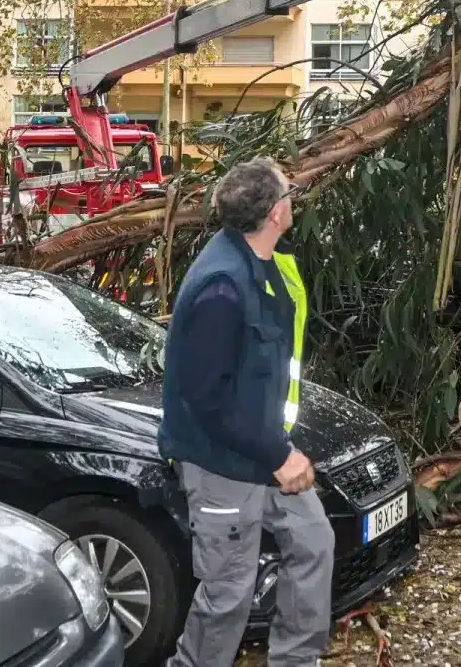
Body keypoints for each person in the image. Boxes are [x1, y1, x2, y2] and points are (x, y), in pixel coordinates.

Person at [158, 157, 332, 667]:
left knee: (314, 541)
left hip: (258, 451)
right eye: (289, 195)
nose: (293, 201)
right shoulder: (222, 286)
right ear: (277, 212)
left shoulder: (267, 268)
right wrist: (279, 453)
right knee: (229, 591)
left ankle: (296, 660)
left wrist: (276, 448)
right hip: (221, 463)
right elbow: (206, 398)